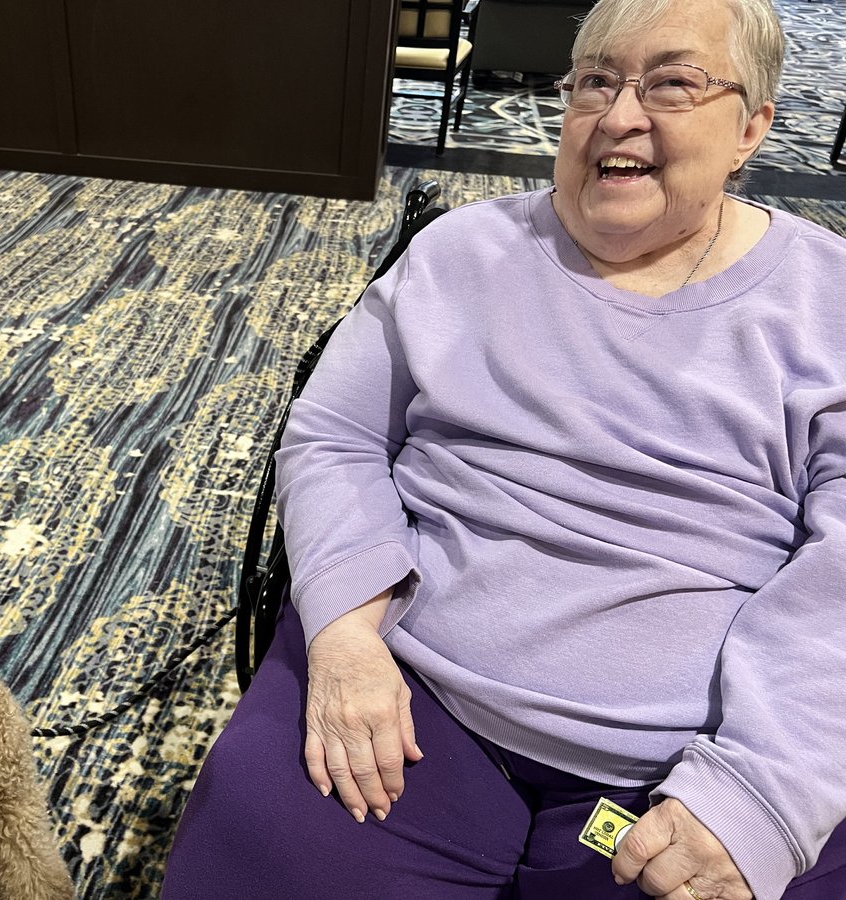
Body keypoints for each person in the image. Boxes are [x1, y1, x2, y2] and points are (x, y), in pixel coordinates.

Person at [162, 0, 846, 897]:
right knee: (259, 851)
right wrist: (344, 635)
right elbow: (336, 433)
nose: (620, 115)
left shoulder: (825, 303)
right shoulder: (463, 252)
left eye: (673, 83)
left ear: (752, 125)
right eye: (596, 80)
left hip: (691, 762)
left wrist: (760, 791)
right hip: (410, 701)